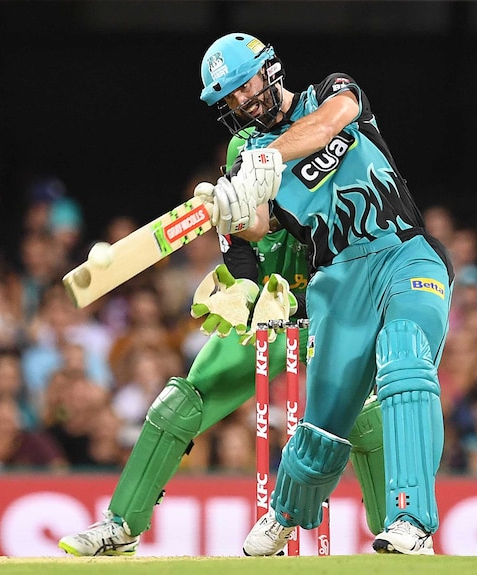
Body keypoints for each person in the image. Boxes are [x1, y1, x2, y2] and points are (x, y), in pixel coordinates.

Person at [58, 131, 387, 556]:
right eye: (238, 175)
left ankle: (396, 534)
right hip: (270, 314)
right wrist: (242, 293)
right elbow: (241, 259)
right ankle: (121, 527)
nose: (243, 188)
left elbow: (349, 268)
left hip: (331, 314)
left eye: (252, 176)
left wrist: (297, 302)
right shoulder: (234, 199)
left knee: (362, 409)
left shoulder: (327, 190)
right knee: (182, 402)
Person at [194, 32, 454, 555]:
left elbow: (331, 121)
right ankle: (286, 514)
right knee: (325, 424)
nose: (242, 102)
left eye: (246, 86)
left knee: (404, 355)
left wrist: (267, 159)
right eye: (231, 98)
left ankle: (412, 520)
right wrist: (230, 210)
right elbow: (259, 225)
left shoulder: (331, 91)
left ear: (270, 69)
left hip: (403, 251)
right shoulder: (244, 159)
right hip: (335, 281)